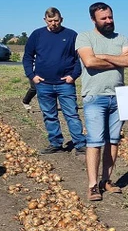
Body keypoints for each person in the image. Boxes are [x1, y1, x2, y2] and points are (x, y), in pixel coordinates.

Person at [76, 2, 128, 202]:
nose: (109, 21)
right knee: (94, 141)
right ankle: (93, 185)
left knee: (113, 141)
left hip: (119, 97)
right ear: (94, 19)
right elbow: (89, 62)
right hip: (94, 96)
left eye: (110, 17)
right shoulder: (84, 37)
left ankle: (106, 180)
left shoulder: (122, 38)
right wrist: (116, 58)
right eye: (104, 18)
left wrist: (101, 56)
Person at [22, 8, 86, 154]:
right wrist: (32, 75)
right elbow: (28, 57)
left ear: (61, 19)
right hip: (43, 84)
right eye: (50, 21)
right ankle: (55, 143)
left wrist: (73, 75)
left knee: (71, 114)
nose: (53, 23)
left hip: (65, 84)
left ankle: (80, 143)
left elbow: (79, 58)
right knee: (49, 115)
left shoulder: (71, 35)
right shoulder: (37, 35)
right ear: (45, 20)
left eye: (56, 20)